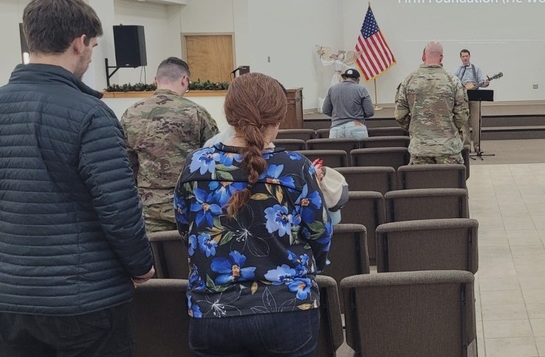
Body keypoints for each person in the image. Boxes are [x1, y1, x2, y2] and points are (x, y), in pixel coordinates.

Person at [0, 0, 154, 356]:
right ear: (79, 43)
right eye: (94, 46)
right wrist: (141, 265)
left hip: (9, 300)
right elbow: (117, 207)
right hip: (84, 301)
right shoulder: (90, 114)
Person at [175, 72, 331, 356]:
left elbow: (186, 230)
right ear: (278, 119)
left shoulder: (195, 165)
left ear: (229, 113)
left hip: (212, 310)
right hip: (287, 308)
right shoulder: (296, 167)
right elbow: (320, 234)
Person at [121, 57, 220, 233]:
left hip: (146, 207)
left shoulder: (131, 113)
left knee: (155, 256)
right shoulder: (196, 113)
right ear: (185, 80)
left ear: (155, 81)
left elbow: (127, 163)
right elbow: (213, 156)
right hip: (187, 203)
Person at [396, 41, 470, 164]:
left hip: (420, 149)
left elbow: (400, 115)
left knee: (421, 183)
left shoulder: (408, 80)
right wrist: (448, 128)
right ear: (441, 58)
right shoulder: (453, 81)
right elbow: (462, 115)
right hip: (448, 149)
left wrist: (416, 129)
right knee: (452, 183)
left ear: (423, 56)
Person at [453, 49, 489, 154]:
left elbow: (482, 81)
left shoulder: (476, 68)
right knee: (464, 122)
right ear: (461, 58)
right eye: (463, 56)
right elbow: (453, 82)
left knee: (476, 121)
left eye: (466, 56)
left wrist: (486, 83)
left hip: (475, 96)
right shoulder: (458, 70)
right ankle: (467, 146)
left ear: (469, 57)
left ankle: (477, 146)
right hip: (463, 98)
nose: (465, 58)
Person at [322, 67, 374, 139]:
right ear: (357, 80)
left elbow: (325, 110)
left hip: (336, 128)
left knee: (337, 150)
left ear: (344, 78)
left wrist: (338, 115)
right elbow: (370, 112)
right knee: (360, 150)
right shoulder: (361, 89)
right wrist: (358, 115)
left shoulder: (332, 89)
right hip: (356, 127)